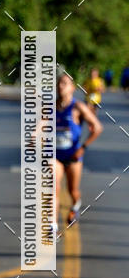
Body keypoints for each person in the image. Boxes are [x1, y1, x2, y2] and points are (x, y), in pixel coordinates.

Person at [56, 73, 102, 226]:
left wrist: (83, 147)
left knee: (72, 191)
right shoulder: (51, 106)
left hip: (74, 156)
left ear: (72, 88)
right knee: (53, 190)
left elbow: (97, 127)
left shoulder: (78, 107)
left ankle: (75, 206)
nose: (60, 86)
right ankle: (52, 227)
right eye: (58, 83)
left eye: (64, 83)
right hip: (55, 156)